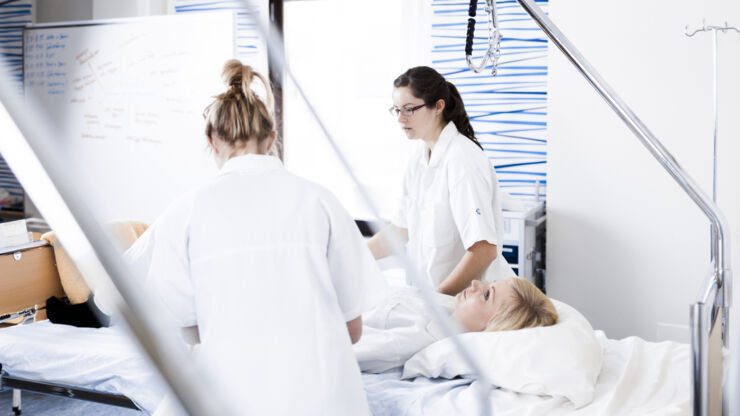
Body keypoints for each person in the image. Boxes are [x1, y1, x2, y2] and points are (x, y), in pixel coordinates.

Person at [134, 60, 387, 416]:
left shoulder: (183, 214)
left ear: (211, 141)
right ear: (271, 138)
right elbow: (352, 330)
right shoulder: (320, 201)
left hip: (231, 398)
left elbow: (187, 329)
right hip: (325, 399)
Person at [368, 66, 514, 296]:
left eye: (409, 109)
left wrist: (436, 301)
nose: (400, 119)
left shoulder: (462, 160)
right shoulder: (418, 160)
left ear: (438, 106)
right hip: (441, 298)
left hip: (474, 299)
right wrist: (351, 255)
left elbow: (484, 249)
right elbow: (400, 230)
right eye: (396, 110)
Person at [354, 277, 558, 373]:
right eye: (488, 284)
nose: (475, 283)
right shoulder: (447, 306)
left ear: (492, 327)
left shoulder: (410, 341)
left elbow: (339, 351)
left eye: (487, 295)